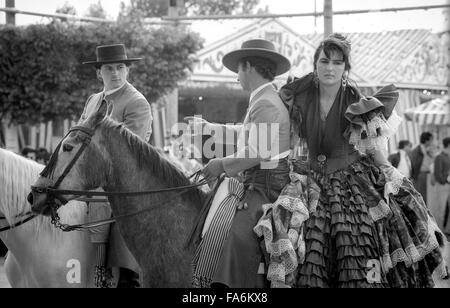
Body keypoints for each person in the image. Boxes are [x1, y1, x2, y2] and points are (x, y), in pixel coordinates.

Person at [270, 33, 443, 288]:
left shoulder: (354, 99)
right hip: (311, 180)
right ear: (315, 64)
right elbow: (287, 140)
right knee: (303, 248)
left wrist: (392, 175)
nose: (330, 68)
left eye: (338, 63)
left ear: (346, 68)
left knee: (356, 246)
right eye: (324, 61)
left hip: (350, 185)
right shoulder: (300, 94)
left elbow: (374, 150)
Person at [189, 39, 292, 288]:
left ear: (248, 67)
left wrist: (219, 165)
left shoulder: (265, 102)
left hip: (265, 185)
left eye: (238, 68)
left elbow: (257, 151)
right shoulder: (263, 98)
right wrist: (211, 128)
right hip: (256, 180)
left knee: (233, 235)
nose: (237, 76)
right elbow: (248, 135)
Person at [80, 44, 153, 288]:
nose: (115, 73)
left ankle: (114, 277)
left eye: (120, 67)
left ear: (127, 71)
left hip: (125, 183)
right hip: (91, 176)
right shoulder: (93, 101)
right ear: (98, 73)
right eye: (109, 68)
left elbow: (128, 152)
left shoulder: (136, 102)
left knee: (106, 213)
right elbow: (79, 139)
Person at [410, 132, 435, 204]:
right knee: (422, 196)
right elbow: (413, 164)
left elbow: (430, 163)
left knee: (427, 197)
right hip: (421, 175)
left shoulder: (426, 150)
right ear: (427, 140)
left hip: (427, 175)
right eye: (431, 140)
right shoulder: (417, 150)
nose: (432, 142)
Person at [431, 137, 450, 232]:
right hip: (442, 186)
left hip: (447, 185)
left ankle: (447, 230)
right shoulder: (439, 157)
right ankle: (439, 231)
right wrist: (445, 181)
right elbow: (437, 173)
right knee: (440, 209)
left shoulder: (447, 156)